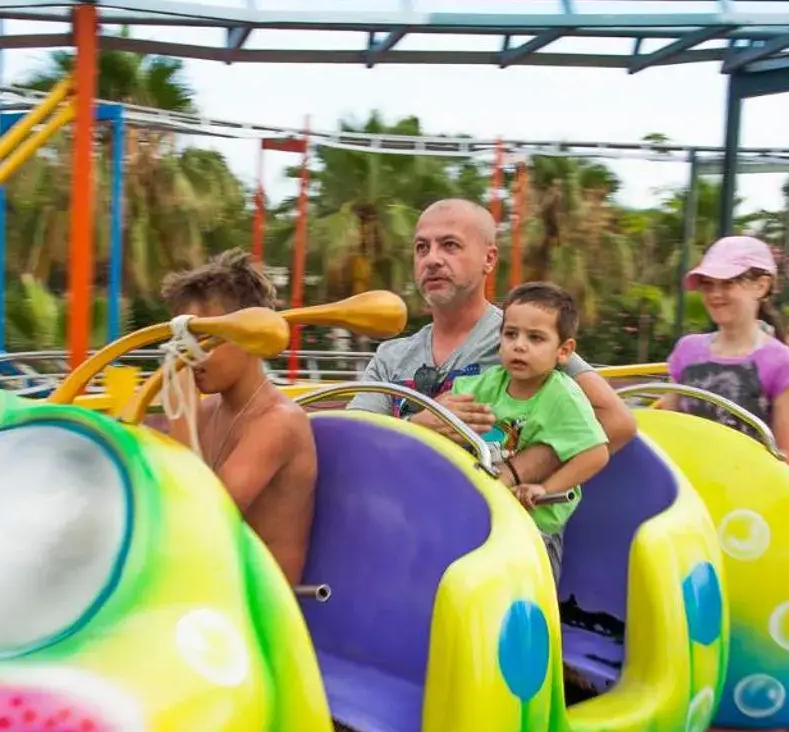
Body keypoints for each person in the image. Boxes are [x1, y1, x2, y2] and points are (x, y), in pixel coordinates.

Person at [348, 198, 635, 492]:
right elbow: (351, 444)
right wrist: (416, 427)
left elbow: (615, 421)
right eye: (422, 248)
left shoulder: (523, 339)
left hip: (501, 528)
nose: (431, 259)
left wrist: (509, 474)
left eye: (450, 245)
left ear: (489, 259)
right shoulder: (391, 356)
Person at [158, 249, 318, 583]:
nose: (190, 355)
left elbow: (201, 521)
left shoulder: (280, 421)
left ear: (253, 337)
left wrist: (180, 421)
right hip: (214, 586)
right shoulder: (207, 411)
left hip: (262, 612)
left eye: (205, 340)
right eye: (183, 341)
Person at [447, 282, 609, 582]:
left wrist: (545, 488)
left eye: (536, 338)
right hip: (482, 517)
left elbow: (596, 453)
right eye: (511, 335)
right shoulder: (481, 386)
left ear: (564, 351)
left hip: (534, 526)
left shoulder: (562, 396)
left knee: (524, 584)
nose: (519, 345)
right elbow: (447, 420)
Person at [660, 235, 789, 458]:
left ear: (761, 286)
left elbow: (783, 456)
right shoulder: (687, 349)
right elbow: (667, 427)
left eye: (728, 283)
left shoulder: (782, 361)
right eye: (708, 285)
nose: (715, 295)